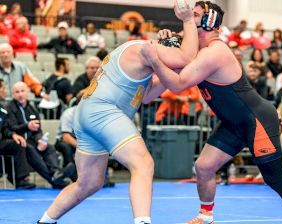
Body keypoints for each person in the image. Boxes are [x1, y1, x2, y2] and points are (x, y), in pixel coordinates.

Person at [141, 1, 282, 223]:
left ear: (208, 22)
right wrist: (165, 45)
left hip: (257, 120)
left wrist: (157, 59)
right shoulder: (193, 50)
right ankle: (206, 215)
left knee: (274, 178)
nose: (187, 19)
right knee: (204, 167)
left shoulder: (215, 52)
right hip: (232, 123)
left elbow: (177, 85)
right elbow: (148, 96)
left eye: (194, 15)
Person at [36, 1, 198, 224]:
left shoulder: (144, 59)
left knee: (89, 183)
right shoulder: (143, 48)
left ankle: (44, 221)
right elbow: (186, 58)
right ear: (166, 50)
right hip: (104, 112)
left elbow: (147, 96)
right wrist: (189, 20)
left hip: (87, 114)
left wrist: (167, 70)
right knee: (143, 164)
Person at [6, 82, 76, 189]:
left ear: (28, 93)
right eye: (17, 92)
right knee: (30, 149)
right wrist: (27, 126)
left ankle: (56, 172)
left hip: (33, 140)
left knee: (49, 147)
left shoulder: (32, 108)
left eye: (22, 91)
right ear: (13, 95)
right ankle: (54, 179)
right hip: (20, 142)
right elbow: (12, 127)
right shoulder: (9, 108)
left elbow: (38, 130)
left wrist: (40, 140)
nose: (20, 94)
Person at [0, 78, 36, 189]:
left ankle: (21, 180)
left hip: (2, 141)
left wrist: (13, 135)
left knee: (18, 143)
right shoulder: (7, 107)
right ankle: (19, 179)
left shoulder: (2, 109)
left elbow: (5, 128)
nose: (5, 91)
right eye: (2, 88)